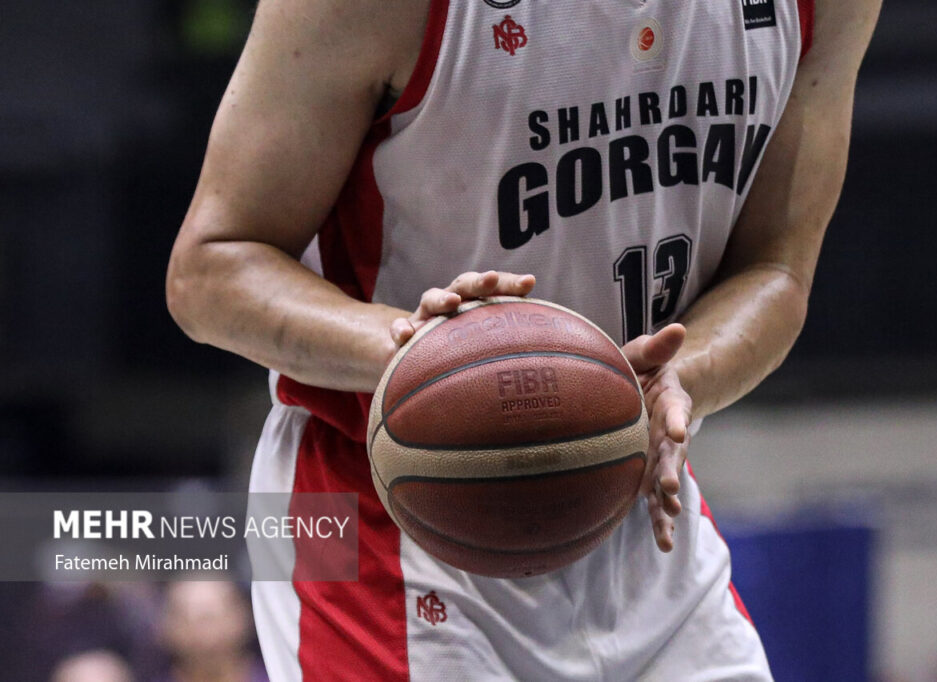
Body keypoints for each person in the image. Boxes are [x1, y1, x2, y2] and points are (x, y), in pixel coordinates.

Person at [166, 0, 881, 678]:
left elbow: (778, 270)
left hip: (626, 500)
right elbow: (209, 268)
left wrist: (679, 376)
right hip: (376, 501)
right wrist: (419, 351)